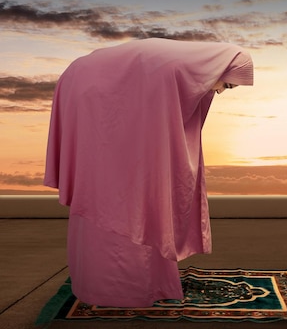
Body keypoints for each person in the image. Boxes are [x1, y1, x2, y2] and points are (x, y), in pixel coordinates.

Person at [44, 38, 253, 307]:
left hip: (87, 87)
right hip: (96, 94)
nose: (223, 91)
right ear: (216, 69)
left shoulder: (173, 66)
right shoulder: (171, 67)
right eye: (228, 84)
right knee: (123, 189)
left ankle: (108, 281)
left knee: (107, 183)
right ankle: (126, 286)